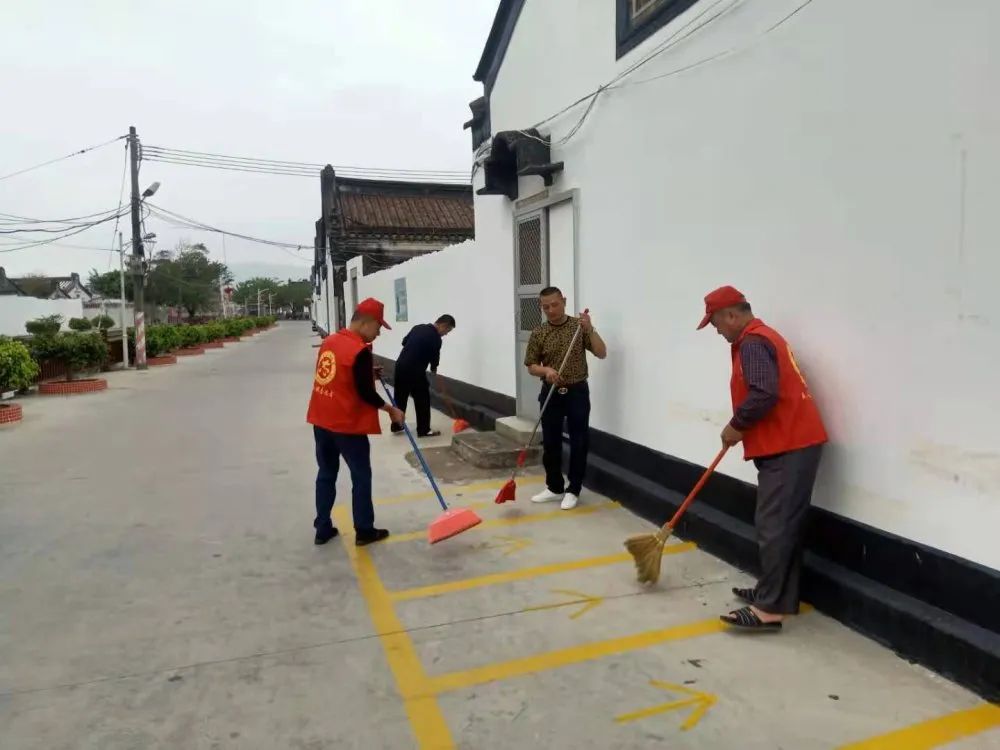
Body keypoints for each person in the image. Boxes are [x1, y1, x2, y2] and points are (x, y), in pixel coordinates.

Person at [698, 285, 828, 631]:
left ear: (731, 315)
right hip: (790, 442)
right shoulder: (760, 337)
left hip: (790, 445)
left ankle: (769, 609)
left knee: (774, 526)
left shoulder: (754, 342)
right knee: (781, 525)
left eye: (715, 323)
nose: (716, 330)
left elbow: (764, 392)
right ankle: (777, 595)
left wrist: (736, 425)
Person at [306, 297, 405, 546]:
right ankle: (364, 530)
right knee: (361, 476)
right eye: (378, 328)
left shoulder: (330, 340)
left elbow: (337, 372)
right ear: (365, 323)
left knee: (326, 473)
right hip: (347, 425)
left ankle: (323, 527)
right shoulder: (359, 349)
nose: (379, 333)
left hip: (322, 421)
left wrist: (367, 372)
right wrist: (390, 409)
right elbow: (365, 393)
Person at [523, 287, 607, 510]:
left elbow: (601, 352)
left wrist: (590, 329)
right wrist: (546, 371)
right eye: (546, 307)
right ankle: (554, 487)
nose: (551, 310)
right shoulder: (539, 332)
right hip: (550, 393)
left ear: (564, 301)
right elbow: (531, 366)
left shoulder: (579, 328)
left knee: (579, 441)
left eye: (555, 304)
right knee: (550, 441)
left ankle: (574, 489)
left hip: (577, 392)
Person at [390, 314, 456, 438]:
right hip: (415, 371)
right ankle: (423, 430)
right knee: (422, 399)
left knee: (400, 397)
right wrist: (434, 368)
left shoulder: (418, 327)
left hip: (400, 366)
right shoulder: (436, 338)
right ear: (443, 325)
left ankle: (397, 425)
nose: (446, 334)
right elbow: (434, 357)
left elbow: (404, 342)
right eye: (448, 330)